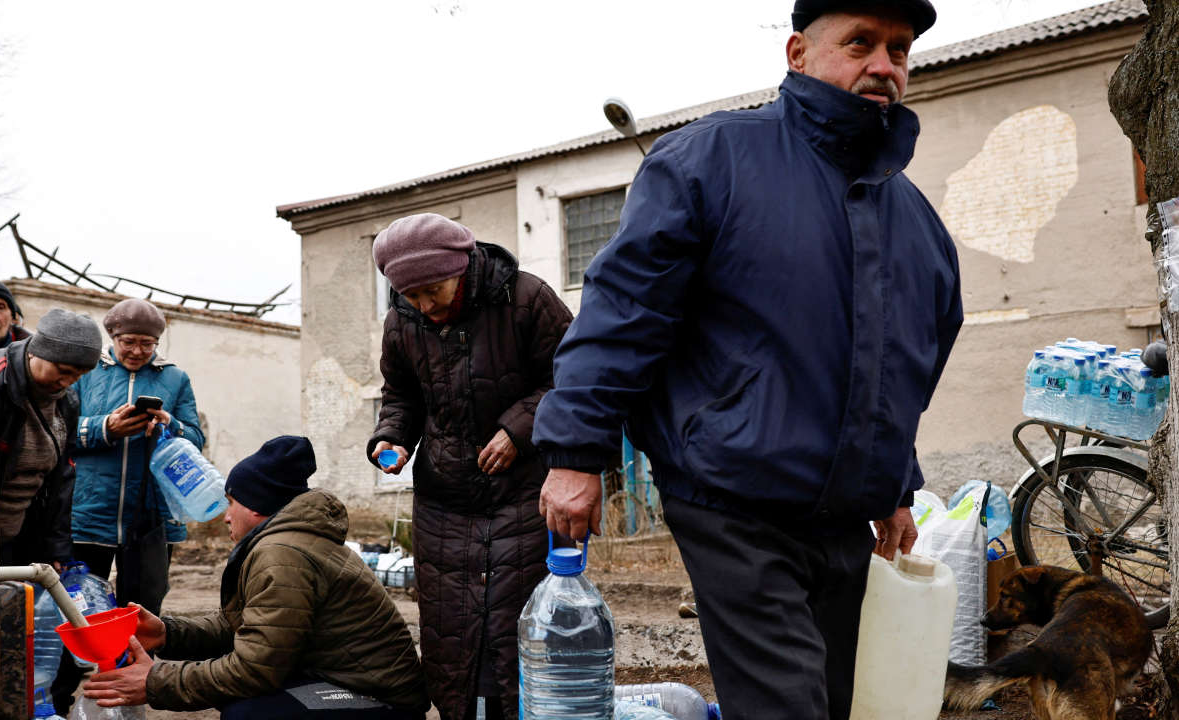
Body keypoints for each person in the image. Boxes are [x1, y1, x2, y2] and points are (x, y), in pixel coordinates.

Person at [532, 2, 963, 719]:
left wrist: (896, 483)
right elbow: (624, 311)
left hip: (843, 519)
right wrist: (576, 452)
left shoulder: (916, 220)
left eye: (899, 49)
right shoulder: (712, 160)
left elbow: (906, 365)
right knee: (785, 704)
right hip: (733, 497)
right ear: (798, 53)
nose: (883, 66)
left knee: (846, 701)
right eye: (860, 44)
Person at [367, 213, 573, 720]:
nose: (425, 306)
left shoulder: (527, 298)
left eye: (434, 290)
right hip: (445, 503)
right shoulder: (404, 322)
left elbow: (572, 378)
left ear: (462, 267)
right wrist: (390, 436)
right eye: (411, 296)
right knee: (453, 635)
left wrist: (517, 430)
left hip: (526, 496)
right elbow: (401, 396)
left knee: (519, 628)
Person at [80, 436, 429, 719]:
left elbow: (255, 669)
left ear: (257, 506)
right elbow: (245, 628)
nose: (226, 516)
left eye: (231, 502)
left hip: (378, 698)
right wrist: (168, 633)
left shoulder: (283, 555)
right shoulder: (287, 542)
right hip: (345, 680)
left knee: (248, 712)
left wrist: (156, 681)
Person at [70, 298, 204, 616]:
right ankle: (78, 668)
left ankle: (137, 667)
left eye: (147, 343)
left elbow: (196, 440)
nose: (137, 351)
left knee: (142, 609)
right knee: (80, 608)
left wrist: (169, 426)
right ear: (113, 339)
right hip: (89, 511)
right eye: (128, 342)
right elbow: (58, 432)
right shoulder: (86, 373)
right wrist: (105, 428)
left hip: (150, 515)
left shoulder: (175, 379)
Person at [0, 307, 102, 568]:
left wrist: (55, 549)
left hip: (22, 536)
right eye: (62, 370)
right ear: (38, 351)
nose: (67, 382)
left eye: (78, 376)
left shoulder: (67, 401)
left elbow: (61, 479)